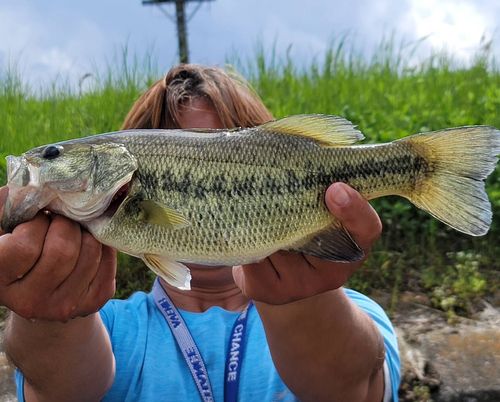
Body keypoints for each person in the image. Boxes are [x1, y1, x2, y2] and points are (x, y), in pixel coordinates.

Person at [0, 64, 400, 402]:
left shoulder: (356, 315)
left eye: (227, 147)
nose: (207, 156)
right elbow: (59, 388)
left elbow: (356, 388)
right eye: (185, 147)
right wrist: (49, 319)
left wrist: (303, 304)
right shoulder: (109, 326)